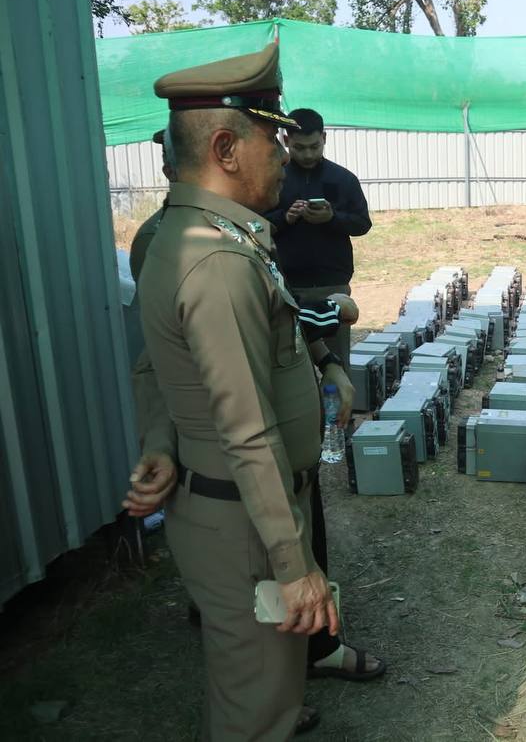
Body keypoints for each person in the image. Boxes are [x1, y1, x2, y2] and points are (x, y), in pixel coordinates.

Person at [125, 124, 384, 700]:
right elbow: (165, 365)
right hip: (238, 464)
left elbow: (279, 319)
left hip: (282, 452)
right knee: (252, 602)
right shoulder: (186, 245)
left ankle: (302, 659)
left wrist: (327, 362)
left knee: (294, 551)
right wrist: (160, 442)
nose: (283, 159)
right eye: (272, 145)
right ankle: (269, 681)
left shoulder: (239, 231)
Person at [138, 42, 340, 740]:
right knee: (258, 705)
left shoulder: (193, 236)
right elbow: (247, 429)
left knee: (256, 686)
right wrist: (294, 564)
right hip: (247, 525)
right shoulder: (217, 261)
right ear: (226, 149)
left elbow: (158, 366)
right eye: (270, 139)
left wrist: (160, 441)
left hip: (233, 508)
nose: (284, 155)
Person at [264, 108, 372, 373]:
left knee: (336, 364)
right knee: (290, 364)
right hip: (287, 288)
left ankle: (338, 401)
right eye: (299, 148)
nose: (308, 154)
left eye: (314, 146)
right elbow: (255, 224)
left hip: (332, 285)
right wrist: (285, 218)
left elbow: (362, 223)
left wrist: (332, 218)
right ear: (286, 140)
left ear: (324, 138)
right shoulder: (273, 179)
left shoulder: (343, 179)